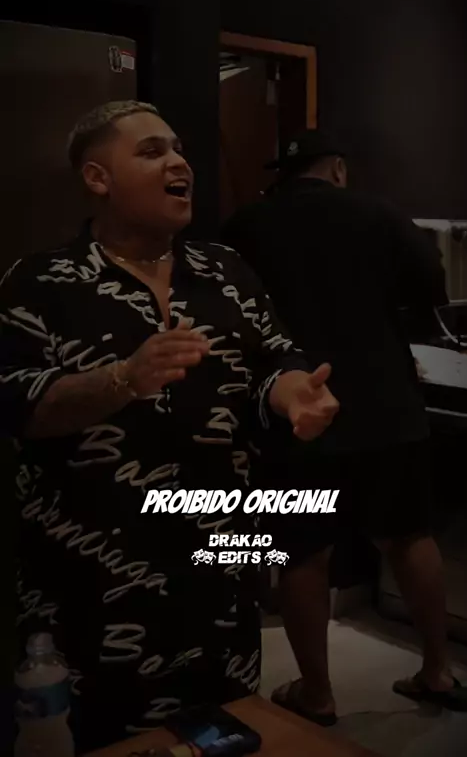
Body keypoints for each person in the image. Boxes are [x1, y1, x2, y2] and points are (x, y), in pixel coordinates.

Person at [1, 104, 339, 751]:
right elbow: (14, 402)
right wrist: (123, 378)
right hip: (92, 593)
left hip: (221, 571)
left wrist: (294, 394)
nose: (179, 162)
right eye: (152, 151)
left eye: (179, 149)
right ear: (98, 178)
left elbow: (275, 361)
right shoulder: (39, 283)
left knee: (224, 732)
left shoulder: (226, 271)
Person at [222, 130, 467, 725]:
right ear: (337, 168)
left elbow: (229, 310)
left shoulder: (245, 225)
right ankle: (437, 672)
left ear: (284, 174)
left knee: (303, 554)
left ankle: (317, 694)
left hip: (296, 407)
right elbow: (431, 288)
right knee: (410, 536)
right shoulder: (381, 214)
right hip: (388, 405)